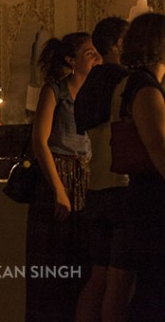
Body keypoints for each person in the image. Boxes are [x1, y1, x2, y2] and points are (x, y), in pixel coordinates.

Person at [27, 31, 99, 322]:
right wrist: (58, 189)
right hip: (57, 176)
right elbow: (40, 141)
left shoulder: (94, 94)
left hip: (84, 176)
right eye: (89, 53)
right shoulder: (55, 91)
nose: (96, 57)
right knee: (52, 259)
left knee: (81, 259)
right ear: (71, 59)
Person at [73, 17, 132, 322]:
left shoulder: (88, 84)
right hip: (121, 186)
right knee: (119, 280)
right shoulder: (126, 81)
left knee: (97, 276)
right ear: (117, 44)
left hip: (95, 188)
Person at [115, 12, 165, 320]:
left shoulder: (146, 85)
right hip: (152, 202)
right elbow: (158, 148)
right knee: (154, 291)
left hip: (147, 198)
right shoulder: (146, 89)